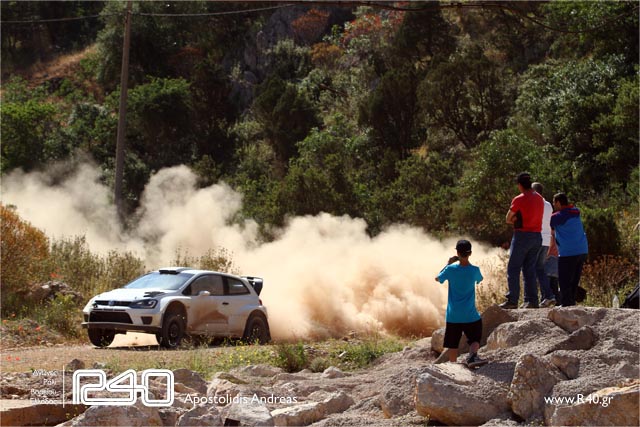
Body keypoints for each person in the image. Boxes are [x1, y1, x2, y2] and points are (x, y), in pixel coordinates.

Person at [435, 240, 486, 368]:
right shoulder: (475, 270)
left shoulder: (450, 269)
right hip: (470, 314)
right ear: (470, 253)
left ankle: (453, 367)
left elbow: (437, 278)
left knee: (452, 344)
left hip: (453, 315)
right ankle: (472, 356)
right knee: (475, 338)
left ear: (457, 253)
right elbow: (480, 279)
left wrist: (448, 264)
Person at [501, 172, 544, 309]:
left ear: (520, 185)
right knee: (529, 269)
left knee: (513, 268)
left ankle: (512, 300)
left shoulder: (519, 199)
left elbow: (508, 218)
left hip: (522, 236)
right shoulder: (540, 198)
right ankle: (532, 300)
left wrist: (515, 220)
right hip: (537, 236)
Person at [550, 193, 589, 307]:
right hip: (582, 249)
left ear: (558, 202)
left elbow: (550, 227)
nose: (553, 205)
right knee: (574, 280)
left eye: (554, 203)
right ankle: (571, 303)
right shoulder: (575, 211)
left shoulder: (557, 217)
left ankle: (567, 304)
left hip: (568, 252)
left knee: (564, 280)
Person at [532, 182, 556, 307]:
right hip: (546, 240)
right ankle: (548, 296)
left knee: (530, 269)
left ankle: (532, 299)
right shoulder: (548, 205)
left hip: (536, 239)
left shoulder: (533, 203)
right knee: (540, 269)